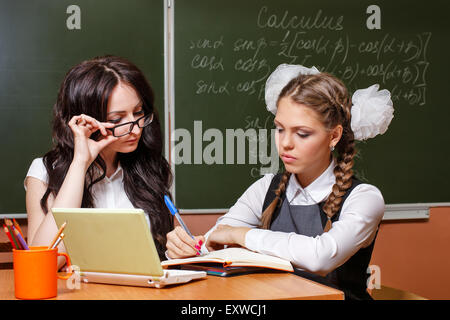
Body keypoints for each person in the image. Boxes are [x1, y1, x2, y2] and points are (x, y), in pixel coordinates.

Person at [166, 64, 394, 300]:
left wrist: (241, 236)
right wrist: (187, 249)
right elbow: (217, 239)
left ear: (334, 136)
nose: (285, 143)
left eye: (302, 133)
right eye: (279, 129)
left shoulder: (364, 197)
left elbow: (321, 256)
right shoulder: (266, 188)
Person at [25, 55, 173, 264]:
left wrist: (176, 250)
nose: (136, 128)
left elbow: (158, 255)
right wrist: (80, 163)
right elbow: (42, 263)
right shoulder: (44, 171)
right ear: (86, 119)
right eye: (116, 119)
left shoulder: (148, 168)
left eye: (138, 112)